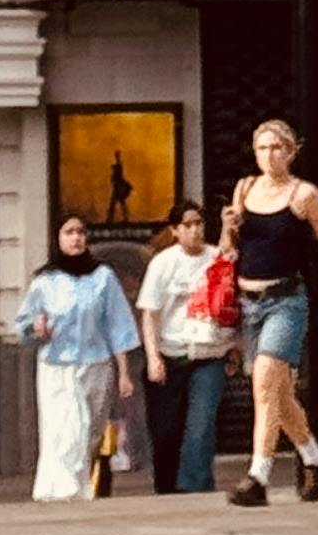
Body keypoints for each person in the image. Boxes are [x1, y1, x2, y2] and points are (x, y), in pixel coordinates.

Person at [221, 117, 318, 505]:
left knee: (263, 384)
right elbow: (228, 249)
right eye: (261, 147)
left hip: (286, 300)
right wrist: (228, 226)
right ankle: (317, 460)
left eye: (276, 147)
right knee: (279, 393)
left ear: (291, 152)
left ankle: (258, 476)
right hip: (249, 301)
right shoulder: (244, 188)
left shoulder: (304, 195)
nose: (268, 155)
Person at [12, 212, 139, 503]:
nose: (76, 238)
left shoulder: (103, 278)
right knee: (68, 425)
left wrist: (123, 372)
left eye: (80, 232)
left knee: (91, 429)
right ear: (58, 238)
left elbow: (118, 326)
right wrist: (36, 327)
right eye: (69, 232)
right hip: (58, 365)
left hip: (96, 363)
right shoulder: (45, 281)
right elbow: (24, 324)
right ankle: (65, 489)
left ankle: (74, 483)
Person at [136, 201, 235, 496]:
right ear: (175, 230)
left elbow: (230, 305)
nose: (194, 230)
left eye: (199, 223)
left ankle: (196, 486)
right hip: (171, 353)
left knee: (201, 424)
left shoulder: (215, 258)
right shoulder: (163, 263)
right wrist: (153, 356)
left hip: (208, 354)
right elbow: (150, 313)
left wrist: (234, 346)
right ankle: (168, 487)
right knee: (166, 430)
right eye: (187, 225)